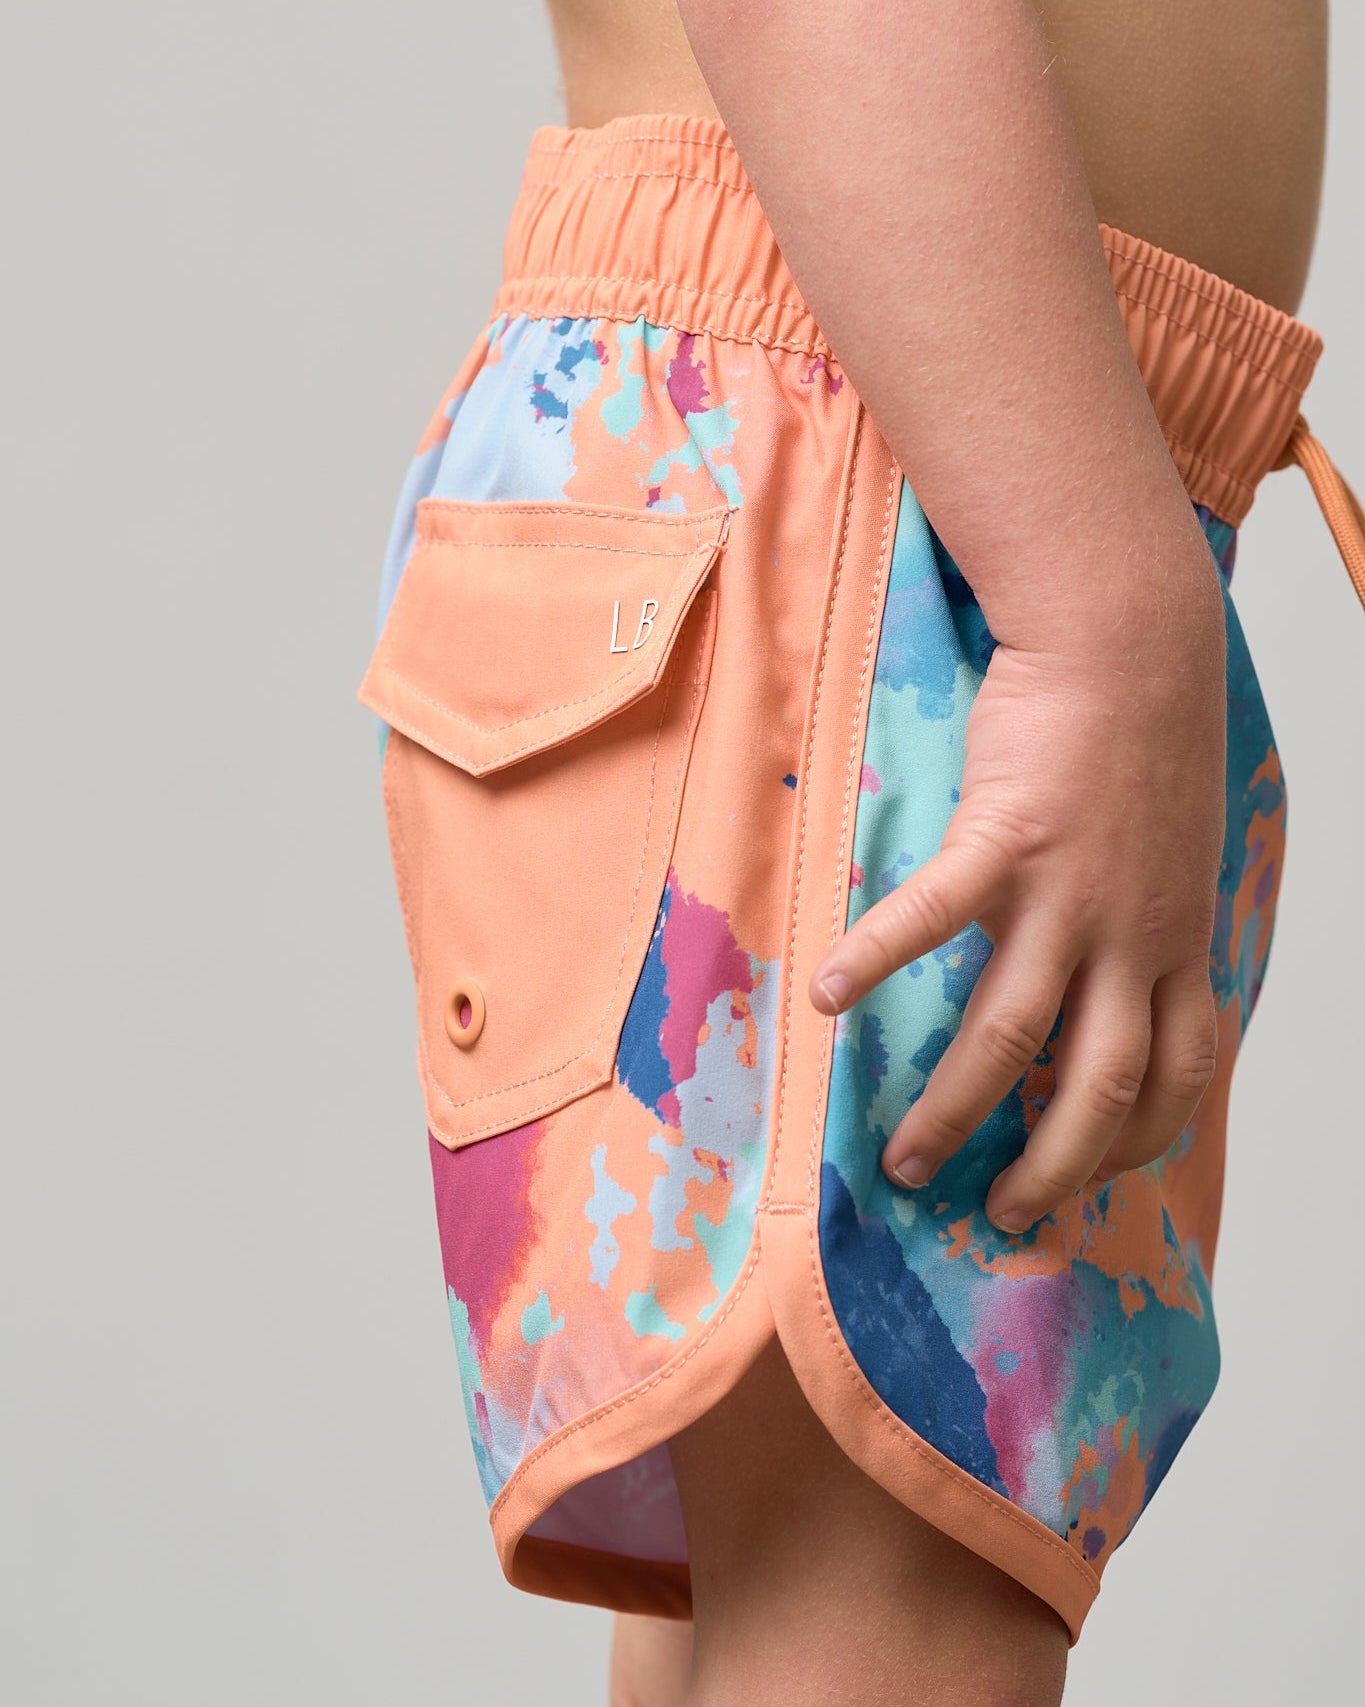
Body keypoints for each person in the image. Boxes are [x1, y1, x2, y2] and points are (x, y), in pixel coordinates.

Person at [358, 3, 1364, 1702]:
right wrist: (1097, 610)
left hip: (943, 460)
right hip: (887, 478)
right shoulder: (1039, 565)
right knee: (884, 1604)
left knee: (817, 1599)